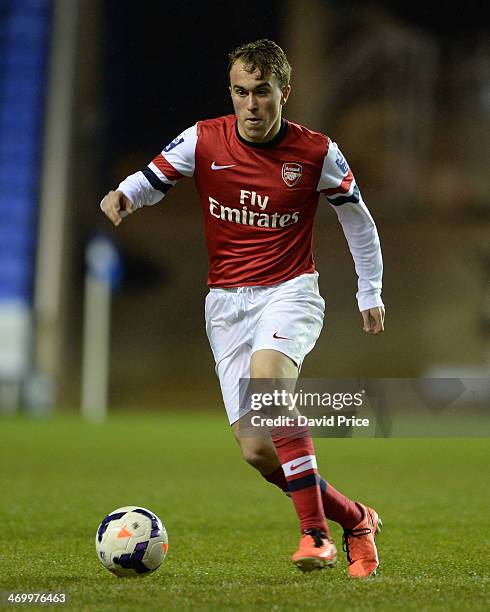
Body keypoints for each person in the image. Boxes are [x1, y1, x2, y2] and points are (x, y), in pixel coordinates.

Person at [100, 39, 385, 577]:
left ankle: (315, 535)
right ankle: (356, 519)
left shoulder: (316, 152)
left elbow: (357, 218)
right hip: (226, 305)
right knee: (257, 450)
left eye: (262, 93)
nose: (250, 105)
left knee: (269, 389)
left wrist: (368, 289)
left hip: (290, 291)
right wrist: (123, 195)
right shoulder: (204, 139)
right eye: (240, 92)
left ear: (284, 92)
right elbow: (155, 176)